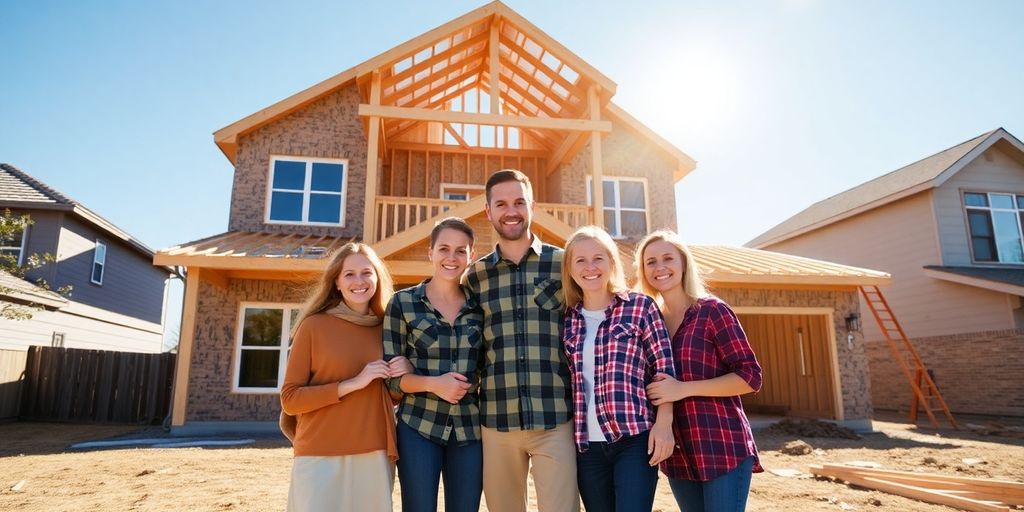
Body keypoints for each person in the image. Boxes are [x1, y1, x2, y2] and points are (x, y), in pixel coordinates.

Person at [465, 169, 579, 512]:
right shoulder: (474, 276)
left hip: (555, 416)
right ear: (488, 211)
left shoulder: (564, 264)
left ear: (532, 206)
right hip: (497, 420)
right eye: (500, 203)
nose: (510, 210)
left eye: (518, 202)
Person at [636, 230, 764, 512]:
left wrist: (683, 389)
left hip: (721, 445)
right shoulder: (648, 320)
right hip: (679, 454)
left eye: (668, 258)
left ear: (683, 264)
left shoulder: (711, 311)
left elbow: (750, 376)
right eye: (651, 262)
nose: (660, 267)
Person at [279, 242, 410, 512]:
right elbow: (290, 400)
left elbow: (391, 397)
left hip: (373, 451)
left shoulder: (388, 328)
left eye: (366, 272)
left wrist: (403, 372)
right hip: (319, 451)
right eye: (349, 274)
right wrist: (352, 384)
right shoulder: (313, 326)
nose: (359, 281)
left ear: (377, 278)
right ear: (336, 282)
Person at [561, 226, 676, 512]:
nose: (590, 267)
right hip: (587, 447)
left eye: (598, 258)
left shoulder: (640, 307)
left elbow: (664, 368)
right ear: (570, 269)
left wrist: (664, 425)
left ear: (611, 262)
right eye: (581, 260)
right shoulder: (567, 320)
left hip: (634, 441)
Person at [383, 217, 485, 512]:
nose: (451, 258)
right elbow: (391, 379)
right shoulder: (402, 303)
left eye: (460, 251)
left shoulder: (480, 306)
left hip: (469, 430)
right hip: (418, 426)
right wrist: (432, 384)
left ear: (471, 256)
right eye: (443, 249)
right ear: (430, 253)